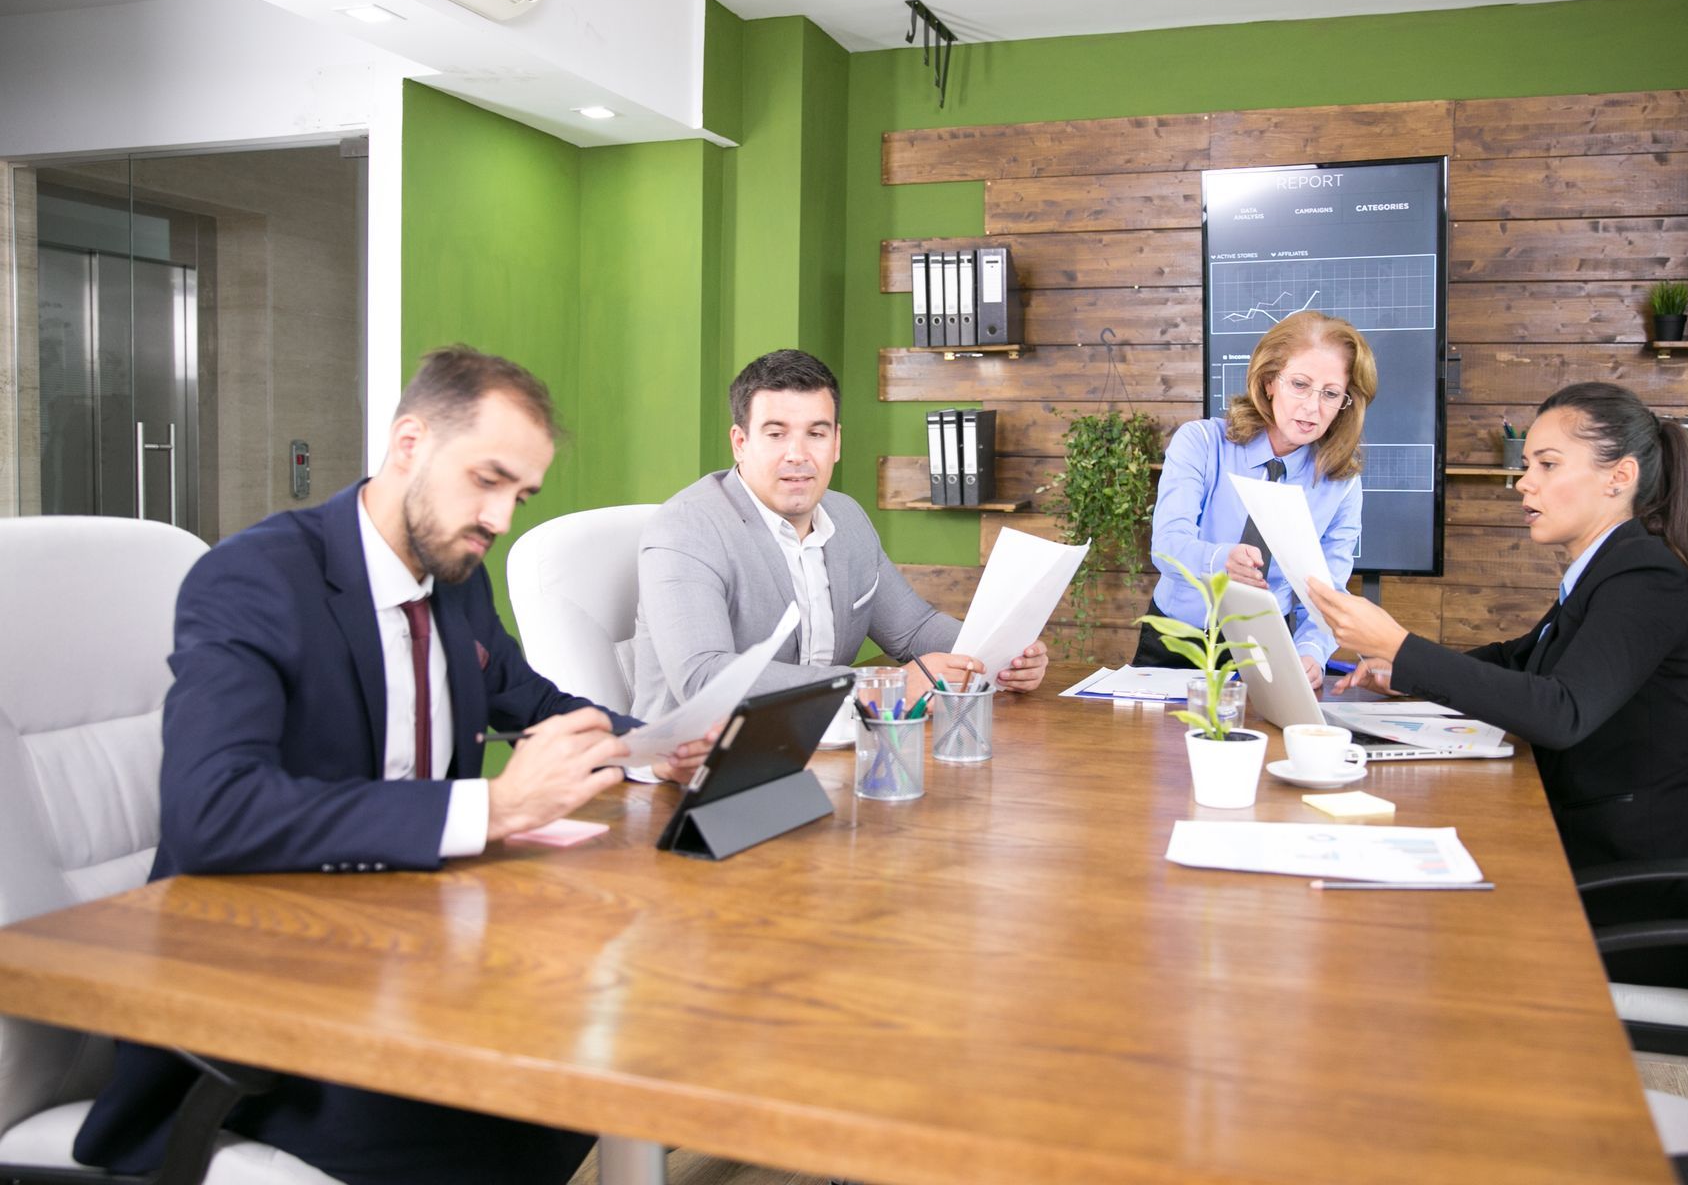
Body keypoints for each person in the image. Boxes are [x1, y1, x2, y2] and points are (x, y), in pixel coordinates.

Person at [75, 346, 716, 1185]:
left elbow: (529, 696)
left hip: (410, 959)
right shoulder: (256, 579)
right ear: (408, 443)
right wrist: (492, 808)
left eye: (519, 496)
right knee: (542, 1101)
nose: (500, 518)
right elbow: (210, 812)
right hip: (255, 1001)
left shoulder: (454, 579)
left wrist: (655, 746)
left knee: (609, 1049)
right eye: (487, 481)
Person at [1307, 382, 1688, 992]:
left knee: (1387, 936)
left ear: (1620, 476)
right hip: (1589, 856)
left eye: (1547, 465)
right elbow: (1521, 660)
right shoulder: (1607, 570)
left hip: (1632, 899)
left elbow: (1562, 710)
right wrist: (1406, 677)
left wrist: (1399, 645)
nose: (1523, 483)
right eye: (1527, 465)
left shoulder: (1645, 577)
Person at [630, 349, 1047, 720]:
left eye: (816, 433)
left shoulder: (844, 516)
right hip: (691, 769)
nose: (798, 454)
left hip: (824, 748)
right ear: (740, 443)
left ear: (836, 443)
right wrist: (880, 686)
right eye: (776, 434)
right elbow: (704, 677)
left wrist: (994, 657)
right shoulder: (686, 529)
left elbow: (914, 630)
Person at [1137, 311, 1376, 687]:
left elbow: (1329, 590)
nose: (1313, 407)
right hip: (1174, 644)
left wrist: (1311, 651)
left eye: (1331, 394)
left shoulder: (1341, 482)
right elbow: (1167, 547)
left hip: (1265, 649)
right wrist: (1220, 560)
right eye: (1300, 384)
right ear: (1268, 382)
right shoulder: (1201, 442)